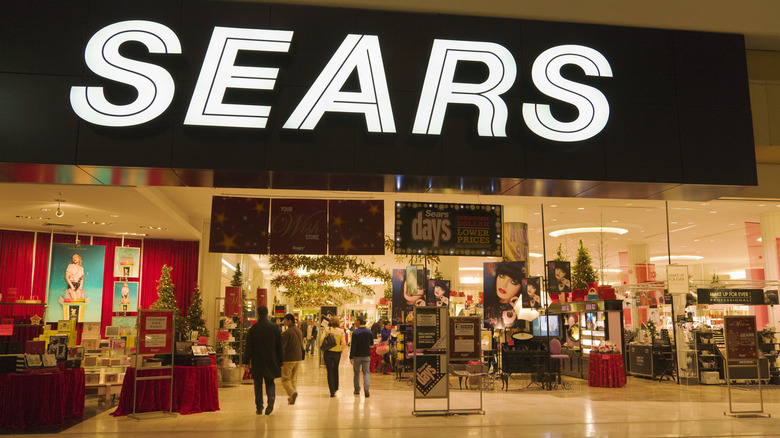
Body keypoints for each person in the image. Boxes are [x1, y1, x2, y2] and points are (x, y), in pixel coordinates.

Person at [244, 306, 283, 415]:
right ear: (267, 313)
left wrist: (246, 362)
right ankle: (271, 396)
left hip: (257, 360)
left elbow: (249, 347)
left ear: (258, 314)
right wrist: (281, 360)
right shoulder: (275, 327)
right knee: (270, 381)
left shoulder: (253, 328)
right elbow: (279, 346)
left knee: (258, 383)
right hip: (271, 359)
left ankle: (259, 407)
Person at [280, 313, 303, 405]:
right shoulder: (299, 330)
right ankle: (291, 398)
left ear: (289, 321)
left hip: (289, 358)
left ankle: (292, 393)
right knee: (293, 378)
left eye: (285, 320)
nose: (284, 322)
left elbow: (282, 346)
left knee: (285, 379)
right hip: (298, 357)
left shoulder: (287, 332)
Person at [321, 316, 347, 397]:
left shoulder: (327, 329)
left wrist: (323, 348)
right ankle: (336, 387)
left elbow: (322, 339)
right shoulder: (341, 331)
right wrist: (341, 349)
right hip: (337, 353)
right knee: (335, 369)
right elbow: (344, 343)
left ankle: (331, 390)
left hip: (328, 352)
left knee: (329, 371)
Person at [349, 316, 373, 397]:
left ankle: (356, 389)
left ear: (359, 322)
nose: (354, 322)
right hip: (366, 355)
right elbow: (371, 343)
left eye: (355, 321)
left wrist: (351, 357)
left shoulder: (355, 332)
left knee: (356, 373)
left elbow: (353, 346)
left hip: (357, 356)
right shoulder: (369, 332)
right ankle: (366, 387)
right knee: (366, 372)